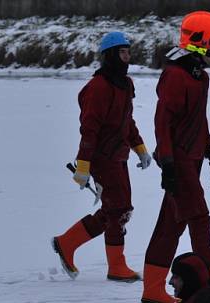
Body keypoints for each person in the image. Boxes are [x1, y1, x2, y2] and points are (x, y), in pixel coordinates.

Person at [141, 11, 210, 303]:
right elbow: (162, 122)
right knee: (200, 220)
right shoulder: (176, 76)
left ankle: (153, 289)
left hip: (192, 160)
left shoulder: (199, 77)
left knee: (171, 224)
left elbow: (198, 120)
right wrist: (167, 163)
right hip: (177, 160)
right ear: (199, 41)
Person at [53, 31, 151, 282]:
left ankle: (67, 242)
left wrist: (139, 148)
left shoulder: (126, 84)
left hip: (118, 156)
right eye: (122, 52)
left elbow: (127, 121)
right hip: (100, 158)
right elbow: (89, 128)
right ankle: (116, 266)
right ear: (110, 56)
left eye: (129, 51)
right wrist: (83, 165)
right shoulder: (97, 88)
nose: (128, 57)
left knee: (120, 209)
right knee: (117, 209)